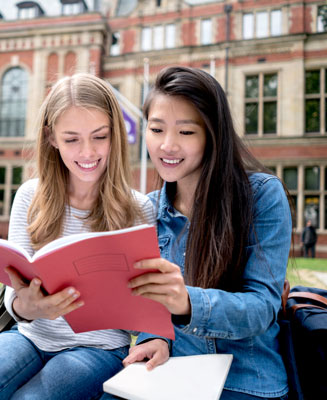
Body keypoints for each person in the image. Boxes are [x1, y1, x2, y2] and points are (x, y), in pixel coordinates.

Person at [0, 73, 156, 400]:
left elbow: (143, 313)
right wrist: (30, 306)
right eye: (71, 139)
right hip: (30, 336)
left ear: (116, 135)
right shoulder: (29, 197)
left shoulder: (139, 209)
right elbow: (14, 296)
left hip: (99, 349)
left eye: (99, 137)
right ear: (51, 138)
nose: (88, 152)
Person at [119, 66, 292, 400]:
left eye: (186, 132)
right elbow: (149, 309)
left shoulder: (262, 195)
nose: (167, 145)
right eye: (156, 129)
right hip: (171, 375)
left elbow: (262, 306)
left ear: (213, 135)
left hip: (246, 379)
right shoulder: (147, 209)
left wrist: (187, 302)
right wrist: (153, 337)